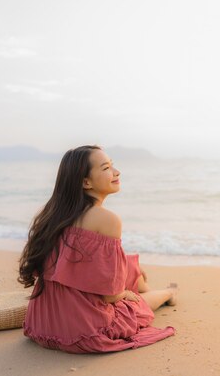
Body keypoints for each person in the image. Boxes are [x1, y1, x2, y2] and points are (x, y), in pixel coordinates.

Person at [18, 144, 177, 353]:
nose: (116, 172)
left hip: (43, 324)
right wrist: (124, 295)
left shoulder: (53, 215)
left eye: (112, 166)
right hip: (83, 328)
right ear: (86, 182)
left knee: (126, 263)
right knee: (135, 305)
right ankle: (168, 292)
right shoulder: (108, 220)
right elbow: (109, 295)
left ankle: (145, 286)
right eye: (106, 168)